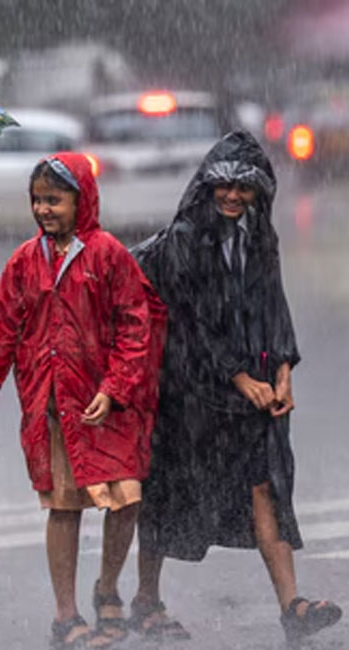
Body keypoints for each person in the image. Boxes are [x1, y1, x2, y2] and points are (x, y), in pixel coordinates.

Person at [129, 131, 342, 643]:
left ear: (257, 194)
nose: (231, 196)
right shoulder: (184, 239)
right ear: (207, 185)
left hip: (253, 386)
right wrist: (238, 377)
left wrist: (284, 369)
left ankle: (292, 606)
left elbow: (273, 303)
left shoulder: (258, 234)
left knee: (265, 486)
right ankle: (144, 599)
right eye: (222, 185)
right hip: (190, 390)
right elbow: (190, 320)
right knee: (168, 490)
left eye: (242, 189)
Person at [0, 153, 163, 649]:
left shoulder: (108, 254)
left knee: (126, 499)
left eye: (55, 199)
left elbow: (137, 327)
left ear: (82, 199)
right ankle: (65, 617)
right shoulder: (25, 261)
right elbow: (0, 330)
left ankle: (107, 588)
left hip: (110, 406)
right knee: (64, 507)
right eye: (38, 200)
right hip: (55, 408)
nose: (44, 209)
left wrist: (114, 388)